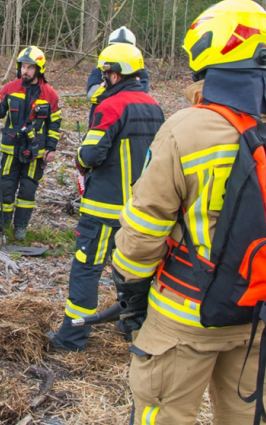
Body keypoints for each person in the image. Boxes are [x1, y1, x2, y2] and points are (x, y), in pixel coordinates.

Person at [111, 0, 266, 423]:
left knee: (163, 414)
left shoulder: (185, 129)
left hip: (186, 314)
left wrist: (129, 289)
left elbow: (144, 228)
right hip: (264, 313)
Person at [47, 42, 164, 352]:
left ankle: (71, 338)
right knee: (132, 272)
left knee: (87, 268)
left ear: (114, 74)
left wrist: (80, 160)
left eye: (105, 73)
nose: (102, 79)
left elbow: (91, 153)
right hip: (140, 209)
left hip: (104, 209)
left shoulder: (112, 106)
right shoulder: (155, 107)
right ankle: (133, 329)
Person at [0, 46, 62, 241]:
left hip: (36, 152)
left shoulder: (50, 94)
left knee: (28, 190)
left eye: (30, 67)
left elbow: (55, 123)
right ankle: (0, 223)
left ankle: (20, 227)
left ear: (39, 69)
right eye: (23, 66)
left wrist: (51, 148)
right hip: (11, 149)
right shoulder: (9, 88)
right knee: (5, 187)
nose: (25, 71)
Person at [86, 26, 150, 125]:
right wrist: (124, 90)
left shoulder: (140, 70)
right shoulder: (100, 68)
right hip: (101, 120)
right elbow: (92, 95)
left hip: (128, 121)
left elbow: (141, 93)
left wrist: (106, 88)